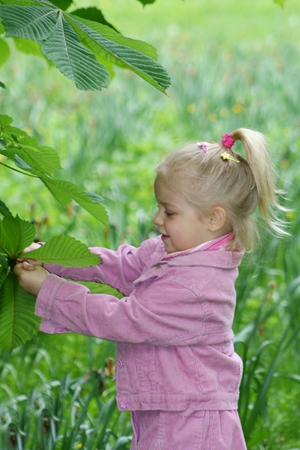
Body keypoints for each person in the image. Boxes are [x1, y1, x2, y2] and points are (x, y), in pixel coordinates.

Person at [14, 128, 287, 450]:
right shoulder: (173, 252)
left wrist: (50, 289)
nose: (157, 219)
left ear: (214, 219)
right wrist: (50, 256)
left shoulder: (196, 287)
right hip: (171, 411)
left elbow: (124, 319)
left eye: (169, 211)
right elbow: (117, 265)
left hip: (192, 424)